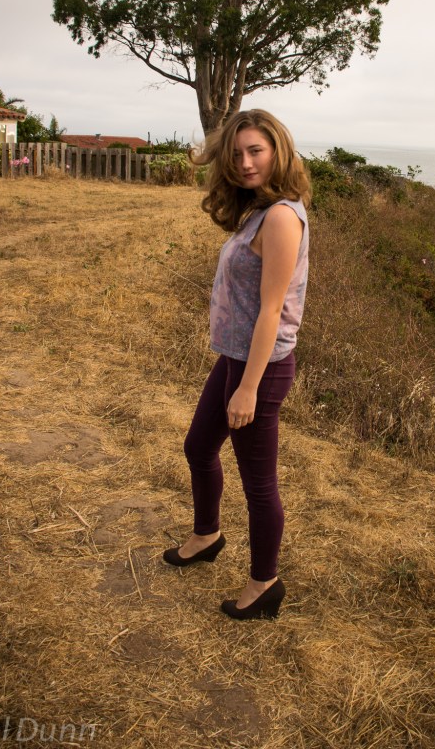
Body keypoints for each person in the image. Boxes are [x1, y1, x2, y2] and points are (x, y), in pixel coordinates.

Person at [162, 109, 311, 620]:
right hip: (235, 358)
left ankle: (264, 583)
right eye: (238, 153)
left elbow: (272, 309)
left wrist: (247, 389)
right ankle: (207, 534)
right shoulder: (257, 210)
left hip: (260, 370)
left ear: (278, 152)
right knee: (198, 447)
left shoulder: (283, 217)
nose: (246, 163)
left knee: (259, 484)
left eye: (257, 151)